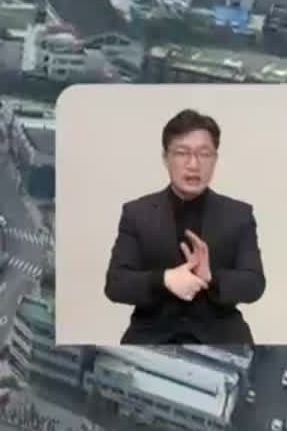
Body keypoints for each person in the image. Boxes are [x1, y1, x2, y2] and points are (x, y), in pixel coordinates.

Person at [103, 108, 265, 345]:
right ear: (165, 158)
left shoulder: (238, 215)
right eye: (182, 153)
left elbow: (254, 284)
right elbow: (115, 284)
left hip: (222, 339)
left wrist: (210, 278)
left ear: (215, 160)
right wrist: (165, 280)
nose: (193, 164)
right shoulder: (137, 213)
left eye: (204, 154)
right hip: (151, 335)